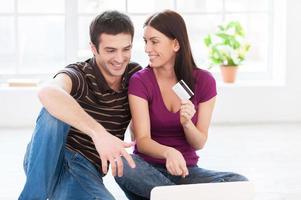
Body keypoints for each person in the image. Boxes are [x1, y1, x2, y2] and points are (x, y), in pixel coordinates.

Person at [115, 10, 248, 200]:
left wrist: (187, 123)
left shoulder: (203, 81)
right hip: (147, 172)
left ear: (176, 44)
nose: (147, 49)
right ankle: (178, 196)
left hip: (186, 173)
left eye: (154, 41)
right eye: (145, 41)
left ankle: (167, 196)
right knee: (123, 165)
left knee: (239, 182)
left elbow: (199, 142)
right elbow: (142, 141)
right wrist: (168, 152)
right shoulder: (140, 80)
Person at [19, 10, 141, 200]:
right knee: (52, 112)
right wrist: (98, 133)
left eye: (126, 49)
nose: (119, 58)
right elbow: (47, 92)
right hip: (48, 157)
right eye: (111, 50)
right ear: (93, 48)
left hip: (84, 171)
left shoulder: (134, 75)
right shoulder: (80, 74)